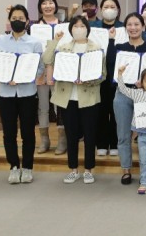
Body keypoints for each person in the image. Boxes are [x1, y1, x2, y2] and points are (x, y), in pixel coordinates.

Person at [0, 5, 44, 184]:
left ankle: (27, 168)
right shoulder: (0, 41)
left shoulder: (35, 43)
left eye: (21, 18)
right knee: (9, 133)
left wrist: (25, 77)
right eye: (14, 18)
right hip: (5, 95)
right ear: (9, 21)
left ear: (27, 21)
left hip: (28, 93)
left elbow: (40, 67)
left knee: (28, 133)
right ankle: (13, 166)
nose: (17, 21)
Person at [44, 16, 106, 184]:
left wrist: (89, 79)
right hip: (68, 97)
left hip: (89, 98)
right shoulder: (63, 47)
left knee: (89, 135)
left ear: (87, 28)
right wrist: (55, 40)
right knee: (71, 135)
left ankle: (88, 169)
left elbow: (102, 75)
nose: (79, 28)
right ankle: (73, 169)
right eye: (76, 26)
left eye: (82, 25)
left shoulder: (96, 48)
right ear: (71, 29)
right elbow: (47, 60)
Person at [107, 12, 146, 185]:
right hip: (123, 93)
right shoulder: (120, 48)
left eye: (137, 24)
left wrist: (144, 82)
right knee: (123, 134)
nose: (133, 28)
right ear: (126, 27)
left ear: (143, 26)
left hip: (145, 96)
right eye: (130, 24)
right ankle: (126, 170)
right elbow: (111, 69)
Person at [31, 0, 76, 155]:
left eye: (50, 3)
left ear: (55, 6)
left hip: (60, 69)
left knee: (60, 105)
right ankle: (44, 140)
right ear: (40, 7)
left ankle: (62, 140)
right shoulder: (34, 27)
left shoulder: (64, 26)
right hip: (41, 69)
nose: (48, 6)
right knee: (43, 105)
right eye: (44, 3)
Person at [116, 66, 146, 195]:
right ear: (141, 83)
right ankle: (144, 182)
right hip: (142, 136)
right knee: (144, 161)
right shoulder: (137, 94)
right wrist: (120, 75)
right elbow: (123, 89)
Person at [92, 0, 124, 157]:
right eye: (106, 6)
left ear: (118, 10)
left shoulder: (124, 27)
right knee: (101, 111)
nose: (109, 9)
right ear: (100, 9)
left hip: (118, 75)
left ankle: (115, 142)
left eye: (113, 6)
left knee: (117, 111)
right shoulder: (93, 27)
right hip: (98, 75)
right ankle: (102, 143)